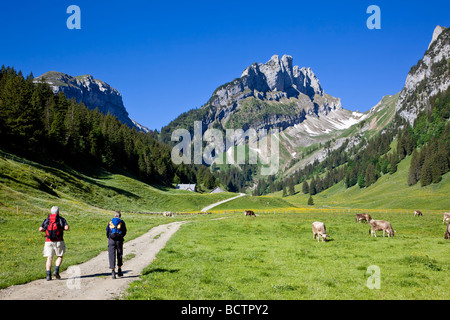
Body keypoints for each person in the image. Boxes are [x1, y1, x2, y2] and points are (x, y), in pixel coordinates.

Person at [39, 206, 69, 280]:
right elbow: (66, 228)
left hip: (48, 241)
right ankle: (56, 270)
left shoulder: (47, 219)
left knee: (49, 258)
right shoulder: (61, 219)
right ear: (58, 212)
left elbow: (40, 229)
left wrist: (47, 231)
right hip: (59, 240)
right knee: (60, 256)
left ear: (51, 212)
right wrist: (60, 229)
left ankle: (48, 275)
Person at [106, 211, 127, 279]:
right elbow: (124, 231)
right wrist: (121, 236)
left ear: (114, 215)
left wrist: (108, 238)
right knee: (119, 254)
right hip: (119, 240)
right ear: (120, 216)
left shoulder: (110, 222)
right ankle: (119, 269)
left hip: (111, 240)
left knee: (111, 255)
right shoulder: (122, 222)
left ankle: (113, 271)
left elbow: (107, 231)